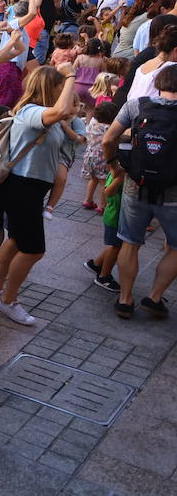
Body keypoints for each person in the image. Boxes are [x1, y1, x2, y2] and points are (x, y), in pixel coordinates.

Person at [0, 65, 77, 325]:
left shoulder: (48, 116)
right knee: (34, 250)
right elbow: (62, 109)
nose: (64, 92)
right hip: (23, 186)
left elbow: (69, 117)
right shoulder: (31, 112)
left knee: (16, 240)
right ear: (50, 88)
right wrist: (70, 75)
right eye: (61, 87)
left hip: (33, 188)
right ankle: (8, 300)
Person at [101, 65, 177, 319]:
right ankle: (154, 298)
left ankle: (125, 299)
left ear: (159, 83)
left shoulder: (136, 105)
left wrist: (115, 166)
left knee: (130, 243)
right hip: (173, 192)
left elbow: (107, 139)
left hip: (136, 185)